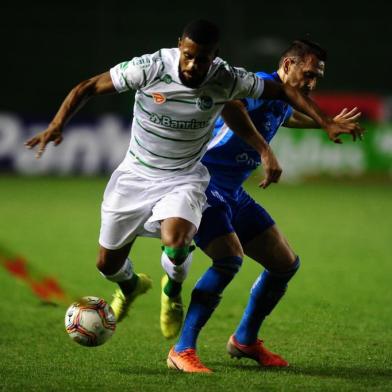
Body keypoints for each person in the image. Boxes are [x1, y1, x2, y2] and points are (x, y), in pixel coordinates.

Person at [25, 19, 360, 343]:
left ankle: (183, 307)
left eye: (203, 58)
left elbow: (285, 105)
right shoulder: (154, 67)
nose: (193, 64)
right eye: (188, 54)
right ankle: (132, 288)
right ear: (179, 47)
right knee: (108, 263)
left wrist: (325, 123)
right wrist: (57, 124)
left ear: (214, 57)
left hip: (190, 178)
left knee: (196, 244)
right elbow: (89, 87)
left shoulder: (233, 80)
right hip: (148, 176)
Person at [165, 39, 363, 373]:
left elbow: (286, 117)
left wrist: (323, 122)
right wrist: (264, 151)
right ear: (287, 64)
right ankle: (182, 349)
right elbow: (233, 107)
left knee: (285, 264)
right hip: (203, 184)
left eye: (318, 78)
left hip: (233, 192)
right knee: (228, 261)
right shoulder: (257, 83)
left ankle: (244, 340)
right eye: (309, 74)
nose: (312, 83)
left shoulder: (283, 98)